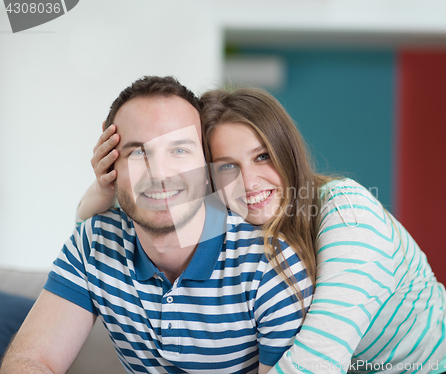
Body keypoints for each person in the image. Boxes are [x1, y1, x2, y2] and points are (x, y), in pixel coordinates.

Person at [77, 84, 446, 374]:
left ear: (286, 151)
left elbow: (315, 363)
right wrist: (106, 187)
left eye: (262, 156)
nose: (249, 183)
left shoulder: (349, 213)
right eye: (227, 166)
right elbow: (127, 239)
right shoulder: (232, 222)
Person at [0, 77, 312, 374]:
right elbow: (31, 359)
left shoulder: (270, 265)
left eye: (179, 150)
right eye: (138, 151)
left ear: (207, 169)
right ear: (110, 168)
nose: (160, 172)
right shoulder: (93, 241)